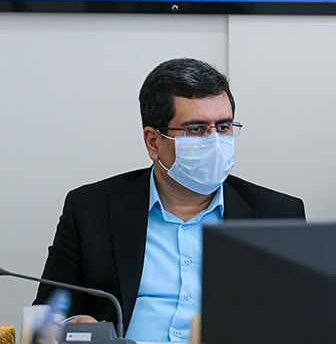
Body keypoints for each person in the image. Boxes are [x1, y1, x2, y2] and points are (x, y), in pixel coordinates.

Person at [34, 58, 305, 342]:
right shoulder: (91, 210)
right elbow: (47, 313)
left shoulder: (278, 215)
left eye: (223, 127)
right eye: (196, 129)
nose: (214, 142)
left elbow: (302, 319)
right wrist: (74, 326)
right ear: (153, 141)